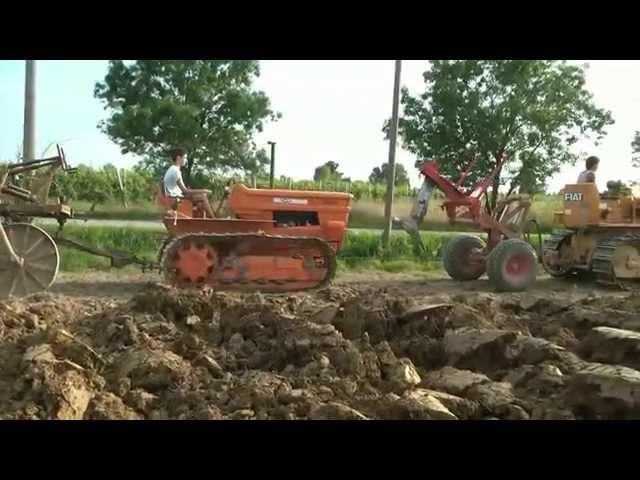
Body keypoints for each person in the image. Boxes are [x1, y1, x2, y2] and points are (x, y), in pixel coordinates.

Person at [163, 147, 215, 218]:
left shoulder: (171, 169)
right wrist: (204, 190)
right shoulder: (175, 171)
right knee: (203, 196)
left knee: (200, 203)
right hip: (175, 198)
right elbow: (185, 191)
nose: (185, 160)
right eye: (184, 158)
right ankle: (213, 219)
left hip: (173, 196)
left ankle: (200, 221)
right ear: (179, 158)